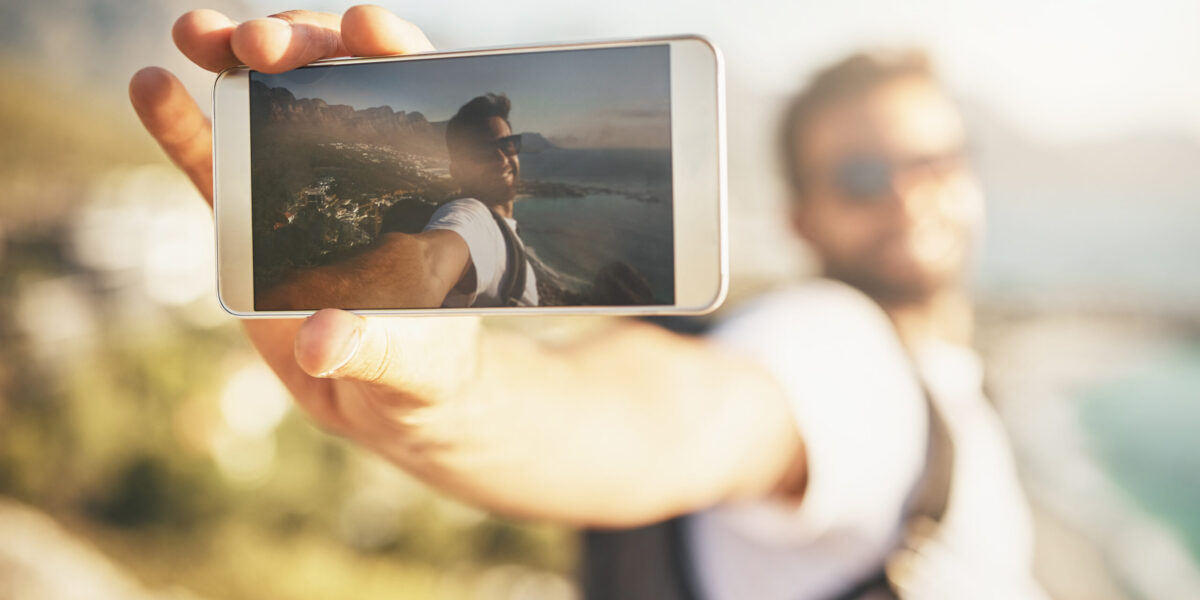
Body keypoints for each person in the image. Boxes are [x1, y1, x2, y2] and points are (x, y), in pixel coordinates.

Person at [132, 6, 1044, 599]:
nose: (908, 194)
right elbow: (652, 416)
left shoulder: (954, 388)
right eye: (862, 174)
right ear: (804, 216)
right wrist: (454, 399)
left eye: (935, 160)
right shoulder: (837, 350)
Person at [257, 91, 536, 309]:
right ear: (457, 170)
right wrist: (284, 303)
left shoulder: (503, 228)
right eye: (482, 152)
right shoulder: (473, 218)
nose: (502, 159)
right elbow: (427, 264)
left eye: (508, 144)